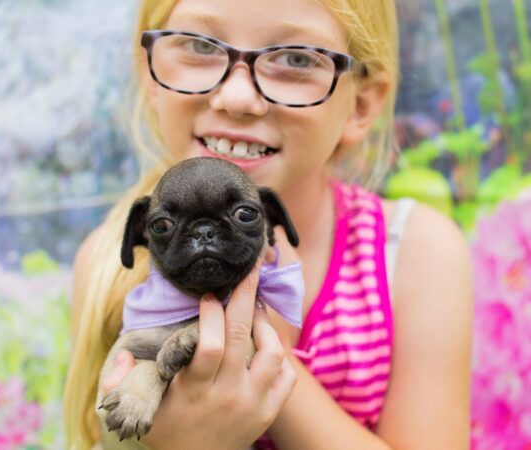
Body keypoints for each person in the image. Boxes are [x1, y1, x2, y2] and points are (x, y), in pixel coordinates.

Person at [64, 0, 473, 448]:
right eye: (200, 45)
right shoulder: (107, 264)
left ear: (360, 103)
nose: (238, 98)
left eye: (296, 59)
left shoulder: (415, 254)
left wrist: (265, 355)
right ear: (150, 73)